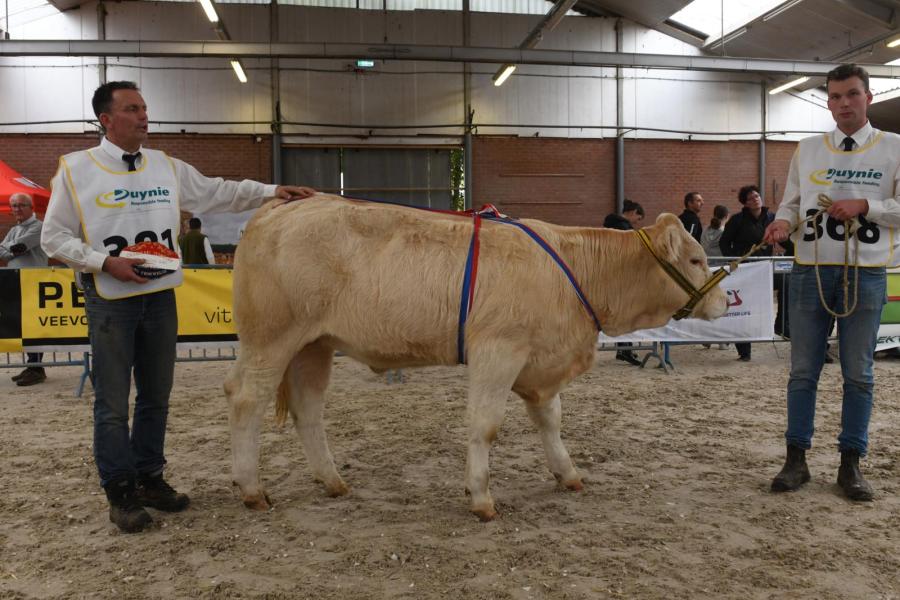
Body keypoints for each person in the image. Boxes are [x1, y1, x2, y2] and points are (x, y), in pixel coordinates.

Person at [40, 81, 317, 533]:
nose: (144, 116)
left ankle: (150, 477)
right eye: (132, 109)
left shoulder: (165, 166)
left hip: (159, 296)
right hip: (111, 298)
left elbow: (217, 191)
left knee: (156, 396)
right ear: (106, 120)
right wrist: (105, 262)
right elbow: (54, 238)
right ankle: (121, 491)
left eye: (145, 107)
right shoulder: (76, 170)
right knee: (111, 402)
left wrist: (272, 189)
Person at [763, 64, 900, 502]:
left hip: (866, 273)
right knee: (802, 370)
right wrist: (781, 225)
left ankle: (851, 463)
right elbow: (791, 204)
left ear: (869, 97)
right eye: (836, 96)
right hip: (810, 271)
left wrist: (867, 205)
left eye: (852, 94)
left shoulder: (894, 148)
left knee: (858, 372)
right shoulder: (807, 150)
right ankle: (795, 459)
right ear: (828, 101)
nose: (844, 104)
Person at [720, 185, 775, 362]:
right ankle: (744, 350)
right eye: (750, 198)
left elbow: (784, 239)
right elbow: (724, 243)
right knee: (742, 308)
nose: (755, 199)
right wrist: (733, 261)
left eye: (757, 196)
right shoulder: (737, 220)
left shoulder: (771, 218)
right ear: (745, 203)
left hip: (764, 268)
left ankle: (780, 330)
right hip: (743, 269)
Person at [1, 192, 49, 386]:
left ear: (31, 207)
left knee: (34, 326)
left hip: (33, 283)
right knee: (25, 326)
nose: (16, 209)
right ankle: (33, 366)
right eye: (13, 206)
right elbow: (6, 251)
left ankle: (36, 368)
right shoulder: (14, 229)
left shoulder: (39, 228)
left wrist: (8, 250)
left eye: (21, 205)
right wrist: (9, 250)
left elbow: (16, 249)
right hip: (17, 283)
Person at [603, 199, 645, 366]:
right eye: (638, 218)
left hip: (612, 273)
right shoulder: (624, 228)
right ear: (633, 212)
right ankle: (625, 349)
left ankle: (625, 348)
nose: (637, 222)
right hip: (621, 275)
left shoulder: (611, 224)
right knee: (625, 312)